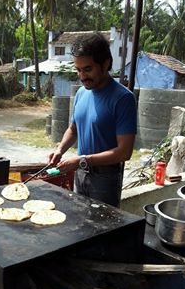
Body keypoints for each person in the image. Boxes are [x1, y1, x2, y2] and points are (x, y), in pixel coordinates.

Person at [48, 32, 137, 207]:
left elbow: (124, 152)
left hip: (105, 178)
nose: (82, 76)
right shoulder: (81, 93)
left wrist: (82, 160)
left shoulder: (123, 98)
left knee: (102, 228)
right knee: (80, 223)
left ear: (105, 64)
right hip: (81, 172)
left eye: (87, 69)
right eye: (78, 70)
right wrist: (60, 150)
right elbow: (73, 129)